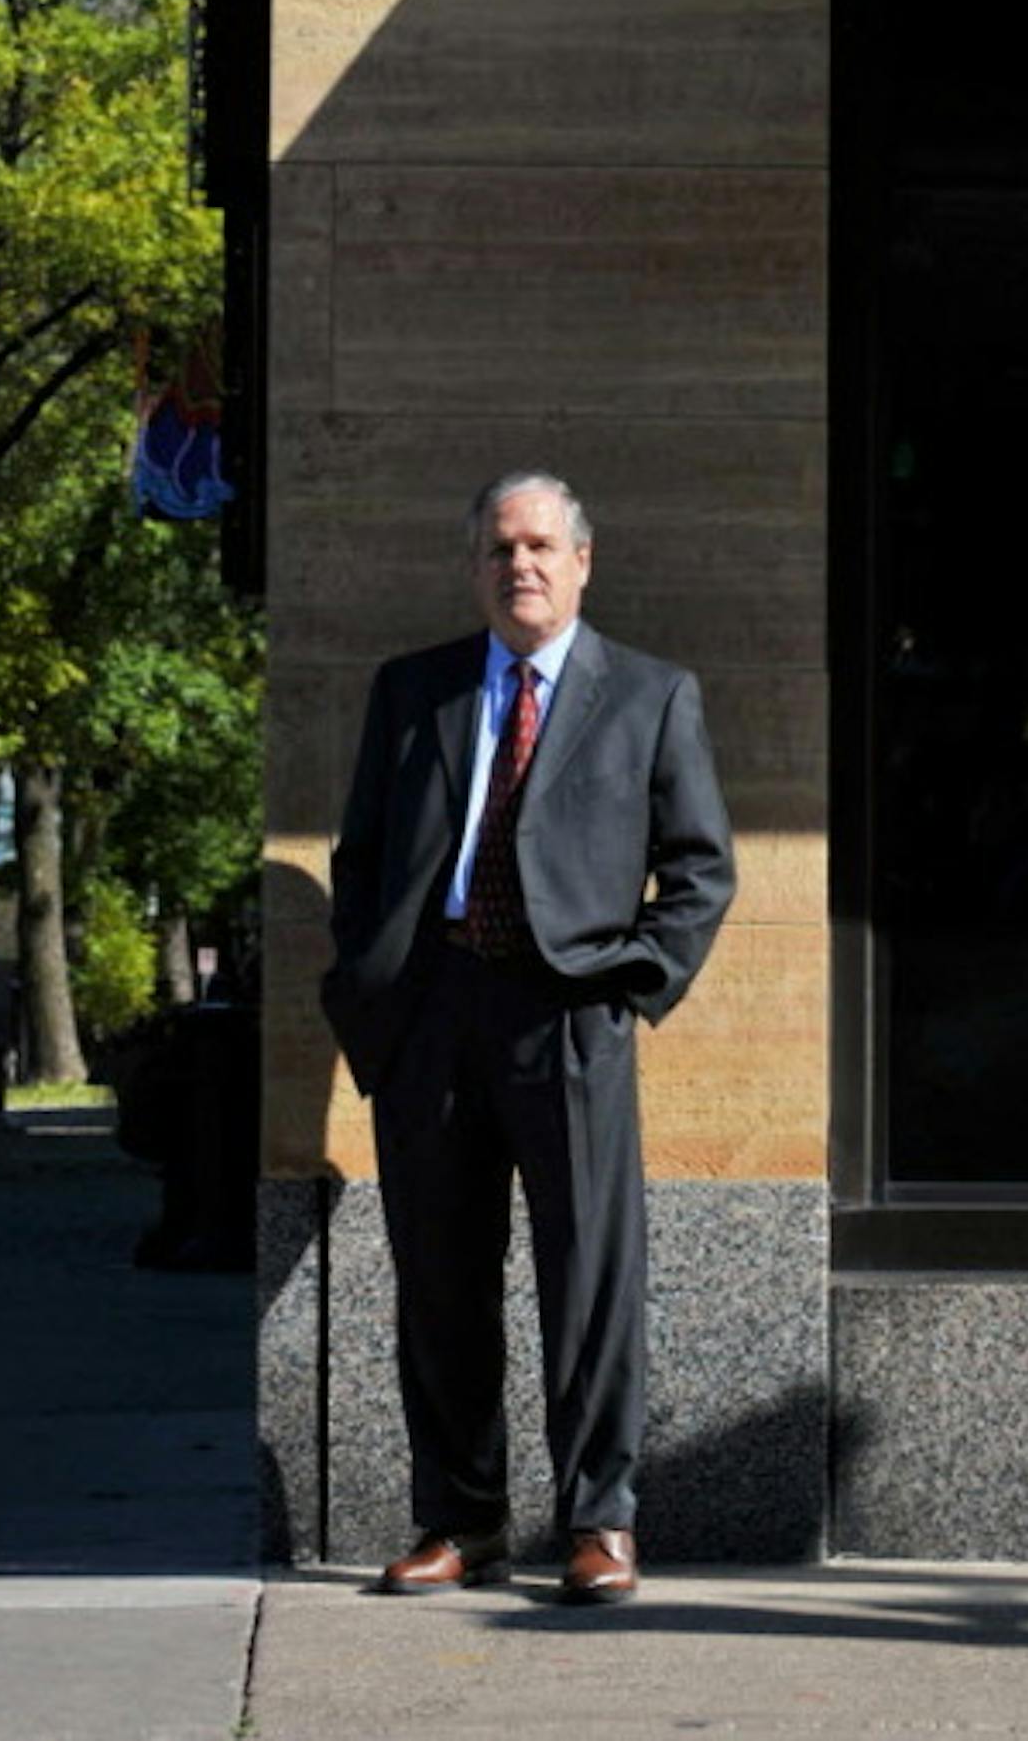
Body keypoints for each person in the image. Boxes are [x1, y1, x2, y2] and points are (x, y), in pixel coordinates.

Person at [322, 468, 735, 1606]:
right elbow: (360, 861)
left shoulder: (649, 695)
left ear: (583, 561)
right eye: (501, 548)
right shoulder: (413, 693)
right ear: (476, 567)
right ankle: (462, 1520)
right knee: (441, 1283)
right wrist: (373, 998)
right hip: (434, 1013)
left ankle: (600, 1521)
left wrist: (631, 985)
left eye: (543, 545)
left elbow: (700, 869)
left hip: (569, 1014)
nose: (522, 565)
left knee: (590, 1278)